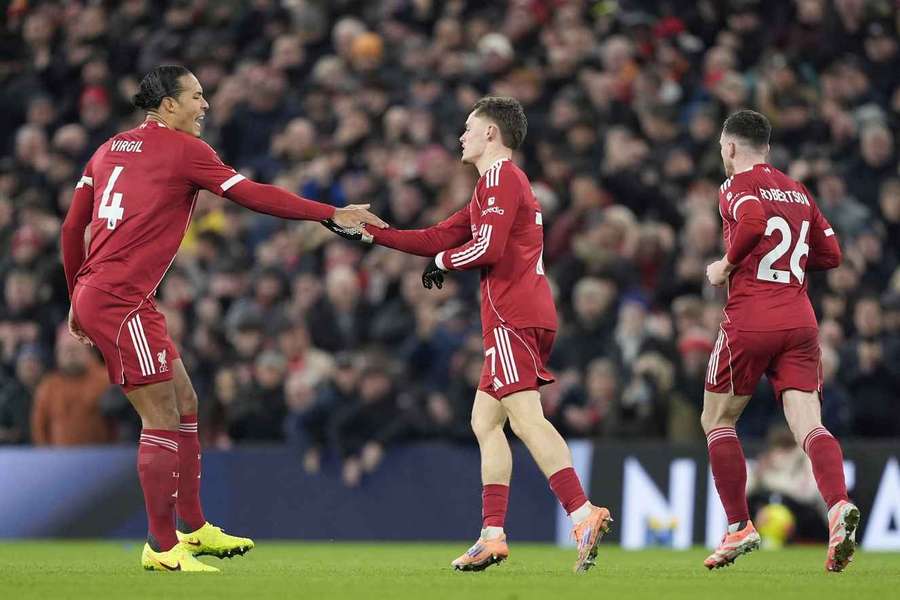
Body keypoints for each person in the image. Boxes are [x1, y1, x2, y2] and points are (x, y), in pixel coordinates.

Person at [60, 65, 386, 572]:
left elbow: (72, 226)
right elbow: (252, 194)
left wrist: (73, 296)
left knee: (186, 400)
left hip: (106, 293)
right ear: (168, 105)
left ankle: (194, 527)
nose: (205, 105)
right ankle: (162, 548)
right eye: (196, 96)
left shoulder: (107, 149)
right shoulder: (186, 151)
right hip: (120, 299)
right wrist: (330, 212)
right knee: (161, 417)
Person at [324, 96, 611, 574]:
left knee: (524, 418)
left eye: (468, 128)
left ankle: (582, 512)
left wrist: (444, 263)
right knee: (485, 421)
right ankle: (492, 534)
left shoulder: (501, 178)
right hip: (521, 311)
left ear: (492, 135)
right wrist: (375, 236)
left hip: (513, 314)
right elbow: (438, 236)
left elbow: (486, 247)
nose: (461, 136)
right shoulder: (491, 189)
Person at [701, 109, 858, 572]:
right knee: (809, 424)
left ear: (730, 148)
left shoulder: (734, 186)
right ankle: (837, 507)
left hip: (751, 317)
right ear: (767, 147)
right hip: (800, 317)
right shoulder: (797, 189)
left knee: (717, 419)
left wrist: (726, 266)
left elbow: (750, 223)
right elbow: (831, 254)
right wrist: (787, 263)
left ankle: (738, 527)